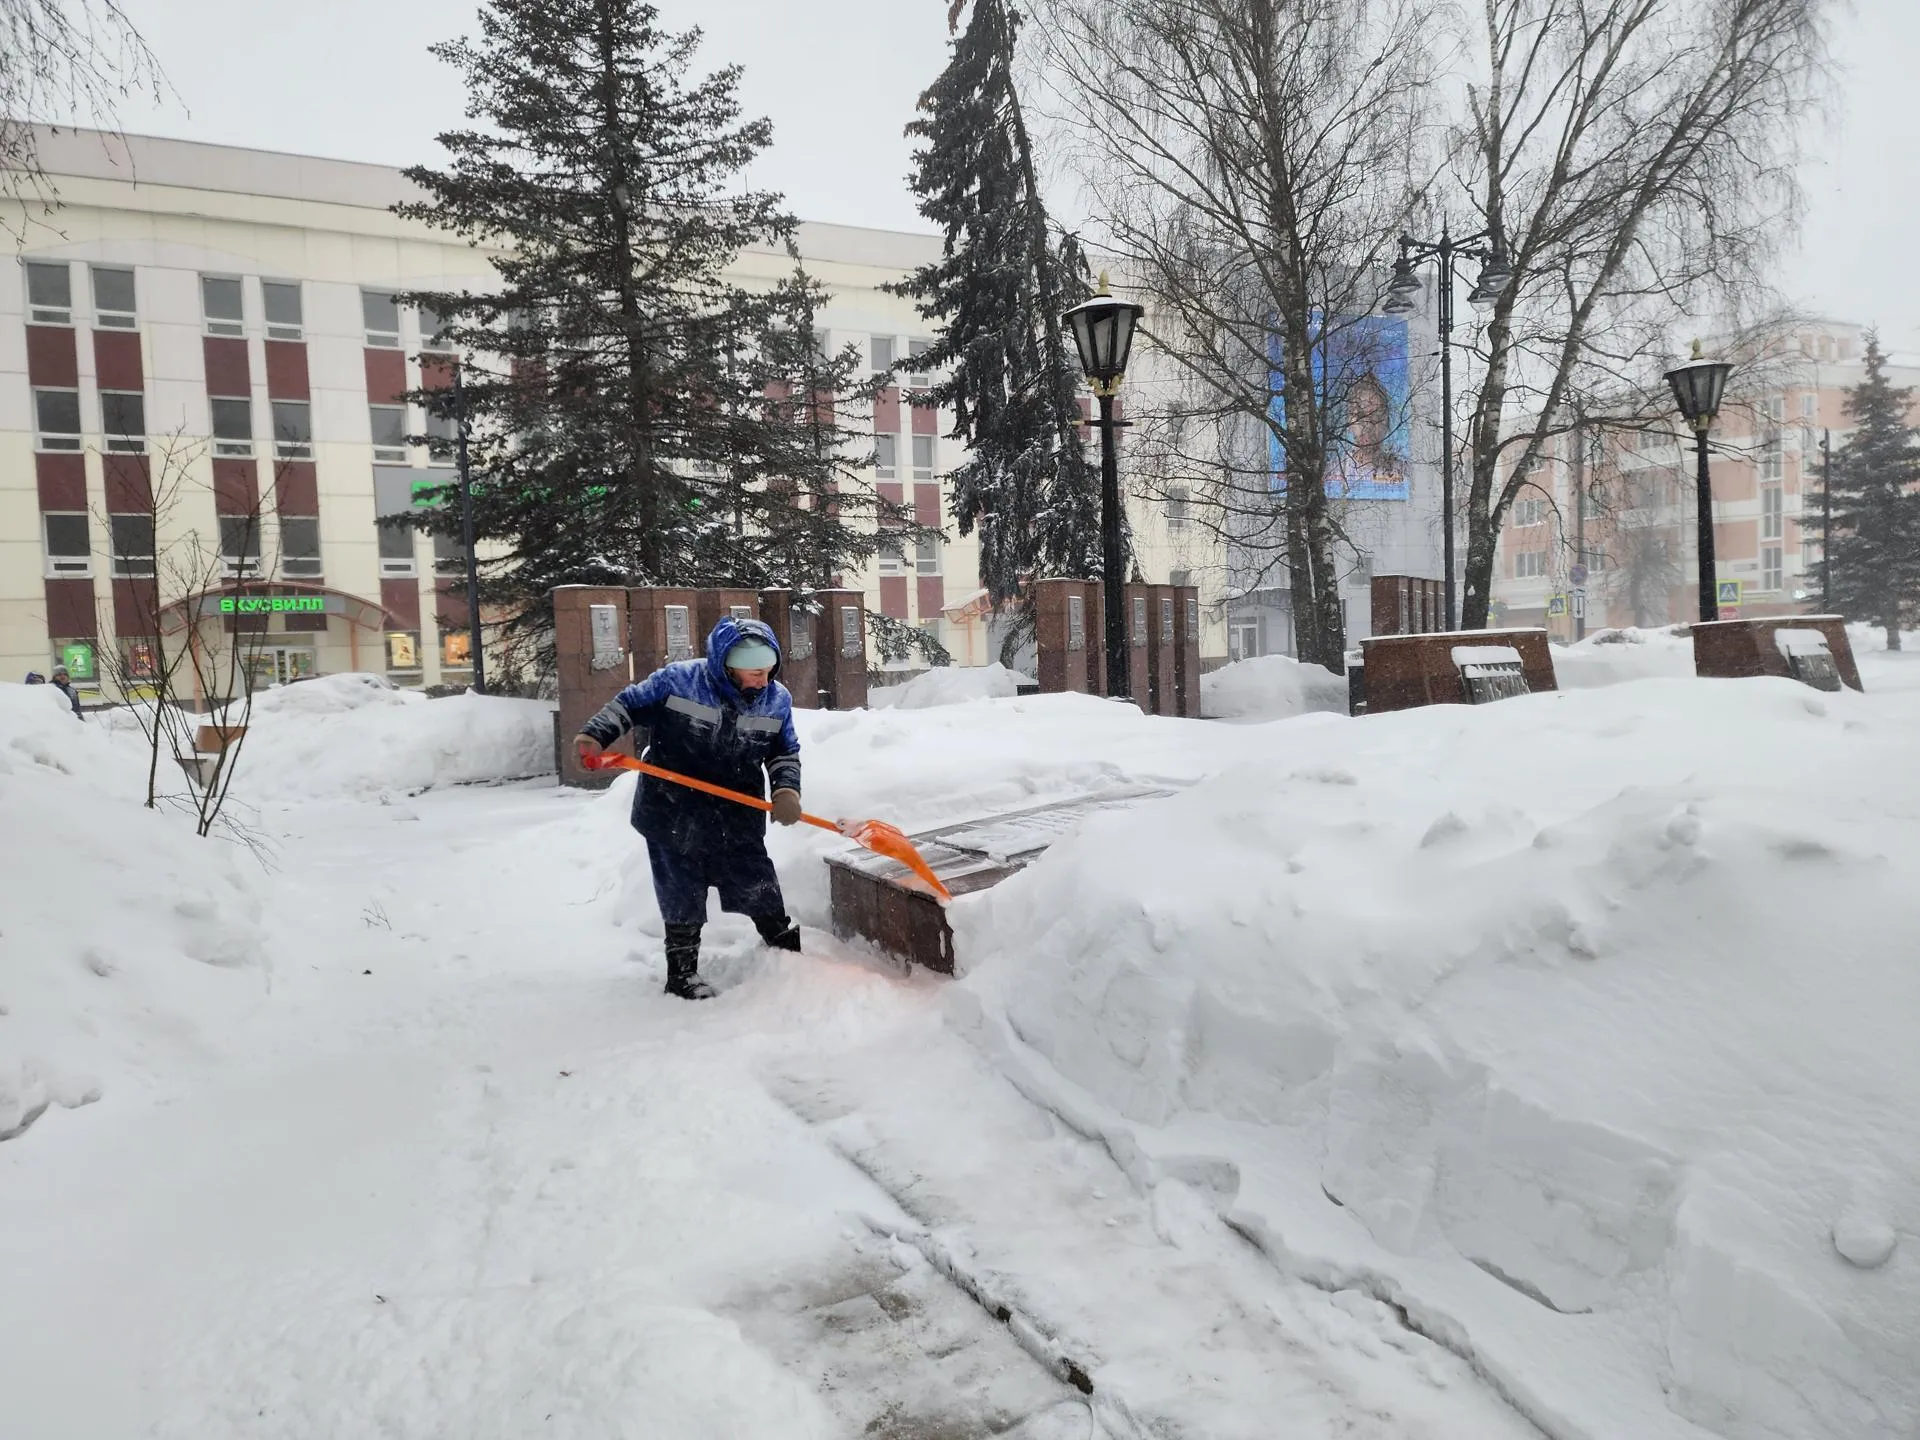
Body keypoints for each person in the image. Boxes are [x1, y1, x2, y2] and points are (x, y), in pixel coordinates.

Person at [575, 615, 804, 1000]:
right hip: (672, 806)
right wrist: (594, 736)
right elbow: (628, 706)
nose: (762, 681)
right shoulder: (679, 681)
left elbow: (784, 752)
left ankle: (783, 947)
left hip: (736, 808)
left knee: (754, 875)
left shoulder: (777, 699)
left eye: (768, 671)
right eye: (753, 673)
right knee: (681, 888)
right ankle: (681, 974)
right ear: (725, 667)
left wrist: (787, 791)